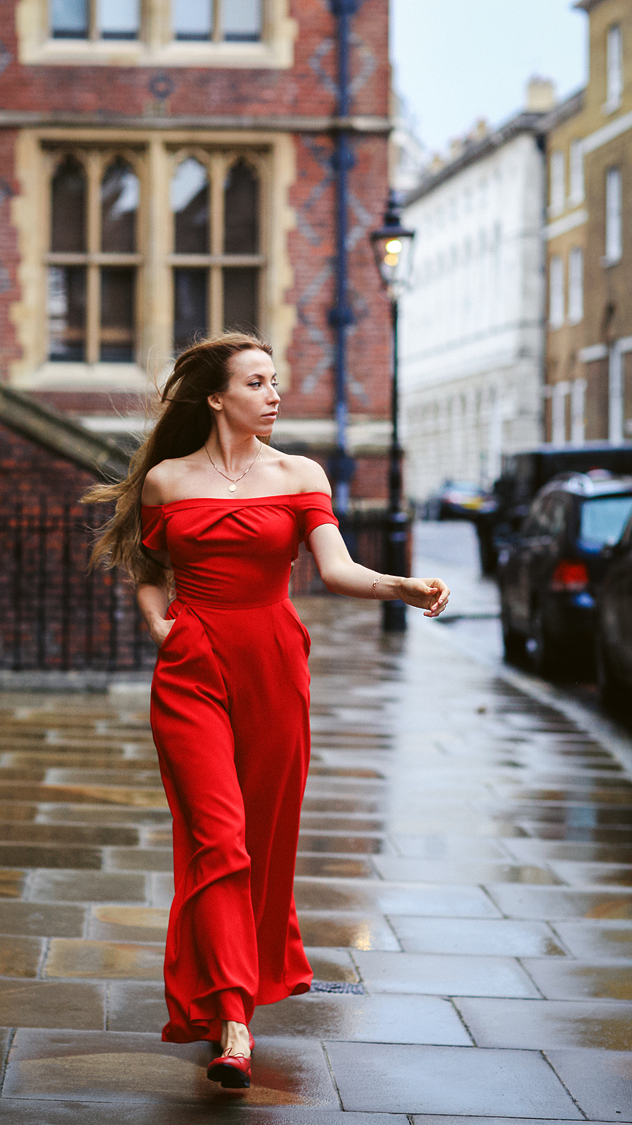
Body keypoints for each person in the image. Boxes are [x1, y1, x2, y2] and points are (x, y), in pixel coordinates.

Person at [85, 332, 449, 1090]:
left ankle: (240, 988)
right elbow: (149, 568)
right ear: (218, 397)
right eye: (257, 381)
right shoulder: (165, 481)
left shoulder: (300, 473)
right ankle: (233, 1021)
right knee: (219, 840)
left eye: (276, 380)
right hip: (191, 671)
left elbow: (338, 567)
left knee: (262, 841)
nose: (275, 393)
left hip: (274, 667)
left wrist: (400, 586)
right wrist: (159, 623)